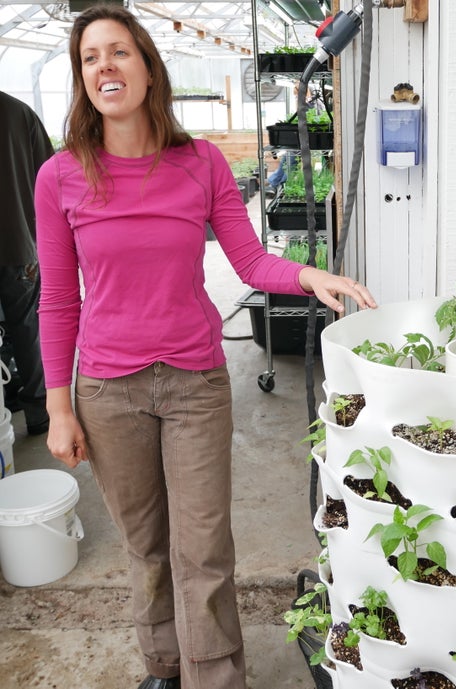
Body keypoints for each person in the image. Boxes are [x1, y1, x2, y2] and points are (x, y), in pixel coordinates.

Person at [33, 6, 376, 689]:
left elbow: (250, 261)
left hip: (193, 383)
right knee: (147, 549)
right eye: (90, 57)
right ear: (81, 78)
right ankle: (163, 668)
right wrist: (59, 407)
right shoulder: (60, 176)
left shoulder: (200, 163)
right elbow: (58, 299)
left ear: (147, 66)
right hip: (107, 388)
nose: (106, 66)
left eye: (119, 53)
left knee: (205, 550)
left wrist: (310, 274)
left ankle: (215, 678)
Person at [0, 91, 55, 434]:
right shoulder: (20, 113)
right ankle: (38, 411)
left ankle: (6, 400)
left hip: (20, 245)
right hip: (18, 244)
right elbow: (48, 177)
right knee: (27, 329)